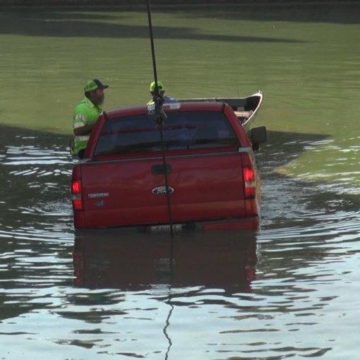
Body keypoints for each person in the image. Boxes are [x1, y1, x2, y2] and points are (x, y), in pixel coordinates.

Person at [72, 79, 109, 158]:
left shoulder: (96, 108)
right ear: (92, 93)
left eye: (103, 91)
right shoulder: (82, 108)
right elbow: (77, 131)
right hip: (84, 151)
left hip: (93, 148)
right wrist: (99, 124)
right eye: (100, 91)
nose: (103, 94)